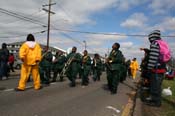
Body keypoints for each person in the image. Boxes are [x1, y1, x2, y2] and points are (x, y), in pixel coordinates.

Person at [144, 30, 166, 107]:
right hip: (162, 68)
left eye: (149, 37)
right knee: (158, 86)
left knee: (155, 87)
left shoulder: (155, 43)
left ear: (151, 37)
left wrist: (149, 69)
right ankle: (156, 101)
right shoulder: (161, 43)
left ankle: (155, 102)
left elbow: (153, 57)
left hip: (156, 69)